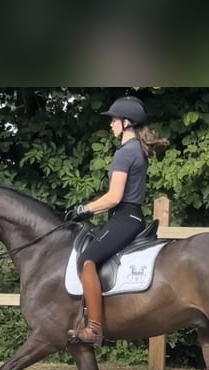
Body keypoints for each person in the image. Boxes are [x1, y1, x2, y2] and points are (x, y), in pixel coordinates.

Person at [65, 95, 168, 345]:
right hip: (130, 217)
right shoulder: (136, 150)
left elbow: (113, 197)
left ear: (126, 122)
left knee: (86, 260)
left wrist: (83, 209)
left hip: (124, 218)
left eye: (113, 120)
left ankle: (95, 329)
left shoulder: (125, 153)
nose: (110, 124)